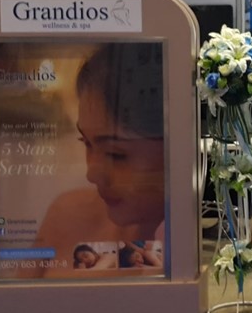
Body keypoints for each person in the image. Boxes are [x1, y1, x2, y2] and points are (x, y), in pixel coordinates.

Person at [30, 42, 166, 277]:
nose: (91, 174)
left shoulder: (199, 249)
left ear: (177, 145)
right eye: (87, 143)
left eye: (116, 154)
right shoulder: (67, 214)